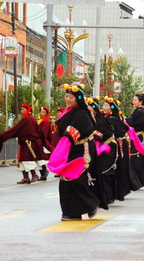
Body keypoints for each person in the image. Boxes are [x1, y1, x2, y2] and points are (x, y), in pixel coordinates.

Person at [55, 84, 99, 221]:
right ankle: (70, 212)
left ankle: (91, 204)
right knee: (65, 180)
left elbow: (72, 133)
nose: (67, 99)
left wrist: (59, 151)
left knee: (76, 180)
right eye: (66, 96)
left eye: (71, 97)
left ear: (78, 99)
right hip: (70, 149)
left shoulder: (81, 113)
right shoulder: (67, 112)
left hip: (82, 149)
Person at [0, 103, 46, 184]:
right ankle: (26, 178)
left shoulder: (28, 119)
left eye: (24, 109)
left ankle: (34, 175)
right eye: (21, 109)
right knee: (22, 160)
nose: (22, 111)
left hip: (28, 143)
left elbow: (16, 129)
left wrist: (3, 136)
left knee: (27, 159)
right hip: (25, 143)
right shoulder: (28, 118)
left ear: (28, 110)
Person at [37, 107, 55, 182]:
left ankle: (44, 173)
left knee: (41, 158)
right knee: (39, 158)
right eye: (41, 112)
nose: (42, 113)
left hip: (43, 142)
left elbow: (43, 133)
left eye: (43, 112)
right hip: (39, 141)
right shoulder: (39, 121)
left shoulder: (46, 122)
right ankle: (43, 174)